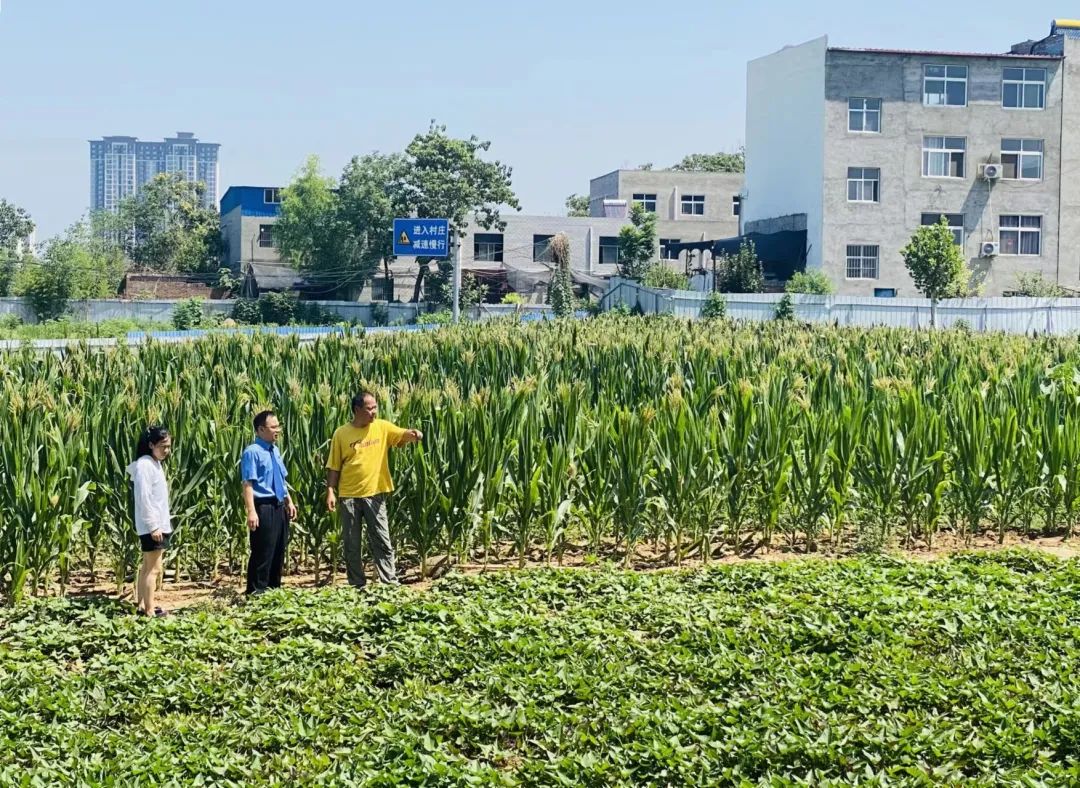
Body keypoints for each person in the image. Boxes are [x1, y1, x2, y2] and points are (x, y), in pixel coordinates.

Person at [325, 391, 422, 588]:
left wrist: (414, 435)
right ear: (356, 410)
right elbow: (334, 466)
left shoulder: (382, 427)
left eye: (375, 407)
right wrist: (330, 491)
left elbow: (402, 434)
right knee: (352, 545)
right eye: (369, 409)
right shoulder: (341, 433)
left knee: (381, 539)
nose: (373, 412)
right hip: (349, 496)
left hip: (375, 493)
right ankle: (357, 584)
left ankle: (389, 582)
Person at [240, 410, 297, 596]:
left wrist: (289, 501)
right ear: (260, 429)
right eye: (273, 427)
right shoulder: (252, 452)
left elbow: (281, 479)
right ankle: (256, 591)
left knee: (278, 550)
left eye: (278, 426)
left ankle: (273, 590)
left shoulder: (275, 451)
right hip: (262, 506)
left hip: (279, 506)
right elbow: (248, 483)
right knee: (263, 551)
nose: (278, 430)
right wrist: (251, 511)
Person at [126, 425, 173, 617]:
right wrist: (154, 525)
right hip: (153, 526)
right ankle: (150, 610)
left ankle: (142, 605)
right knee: (154, 569)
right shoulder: (145, 465)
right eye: (163, 446)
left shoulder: (153, 463)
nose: (166, 451)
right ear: (151, 444)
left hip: (156, 524)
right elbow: (144, 498)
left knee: (147, 567)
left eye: (169, 446)